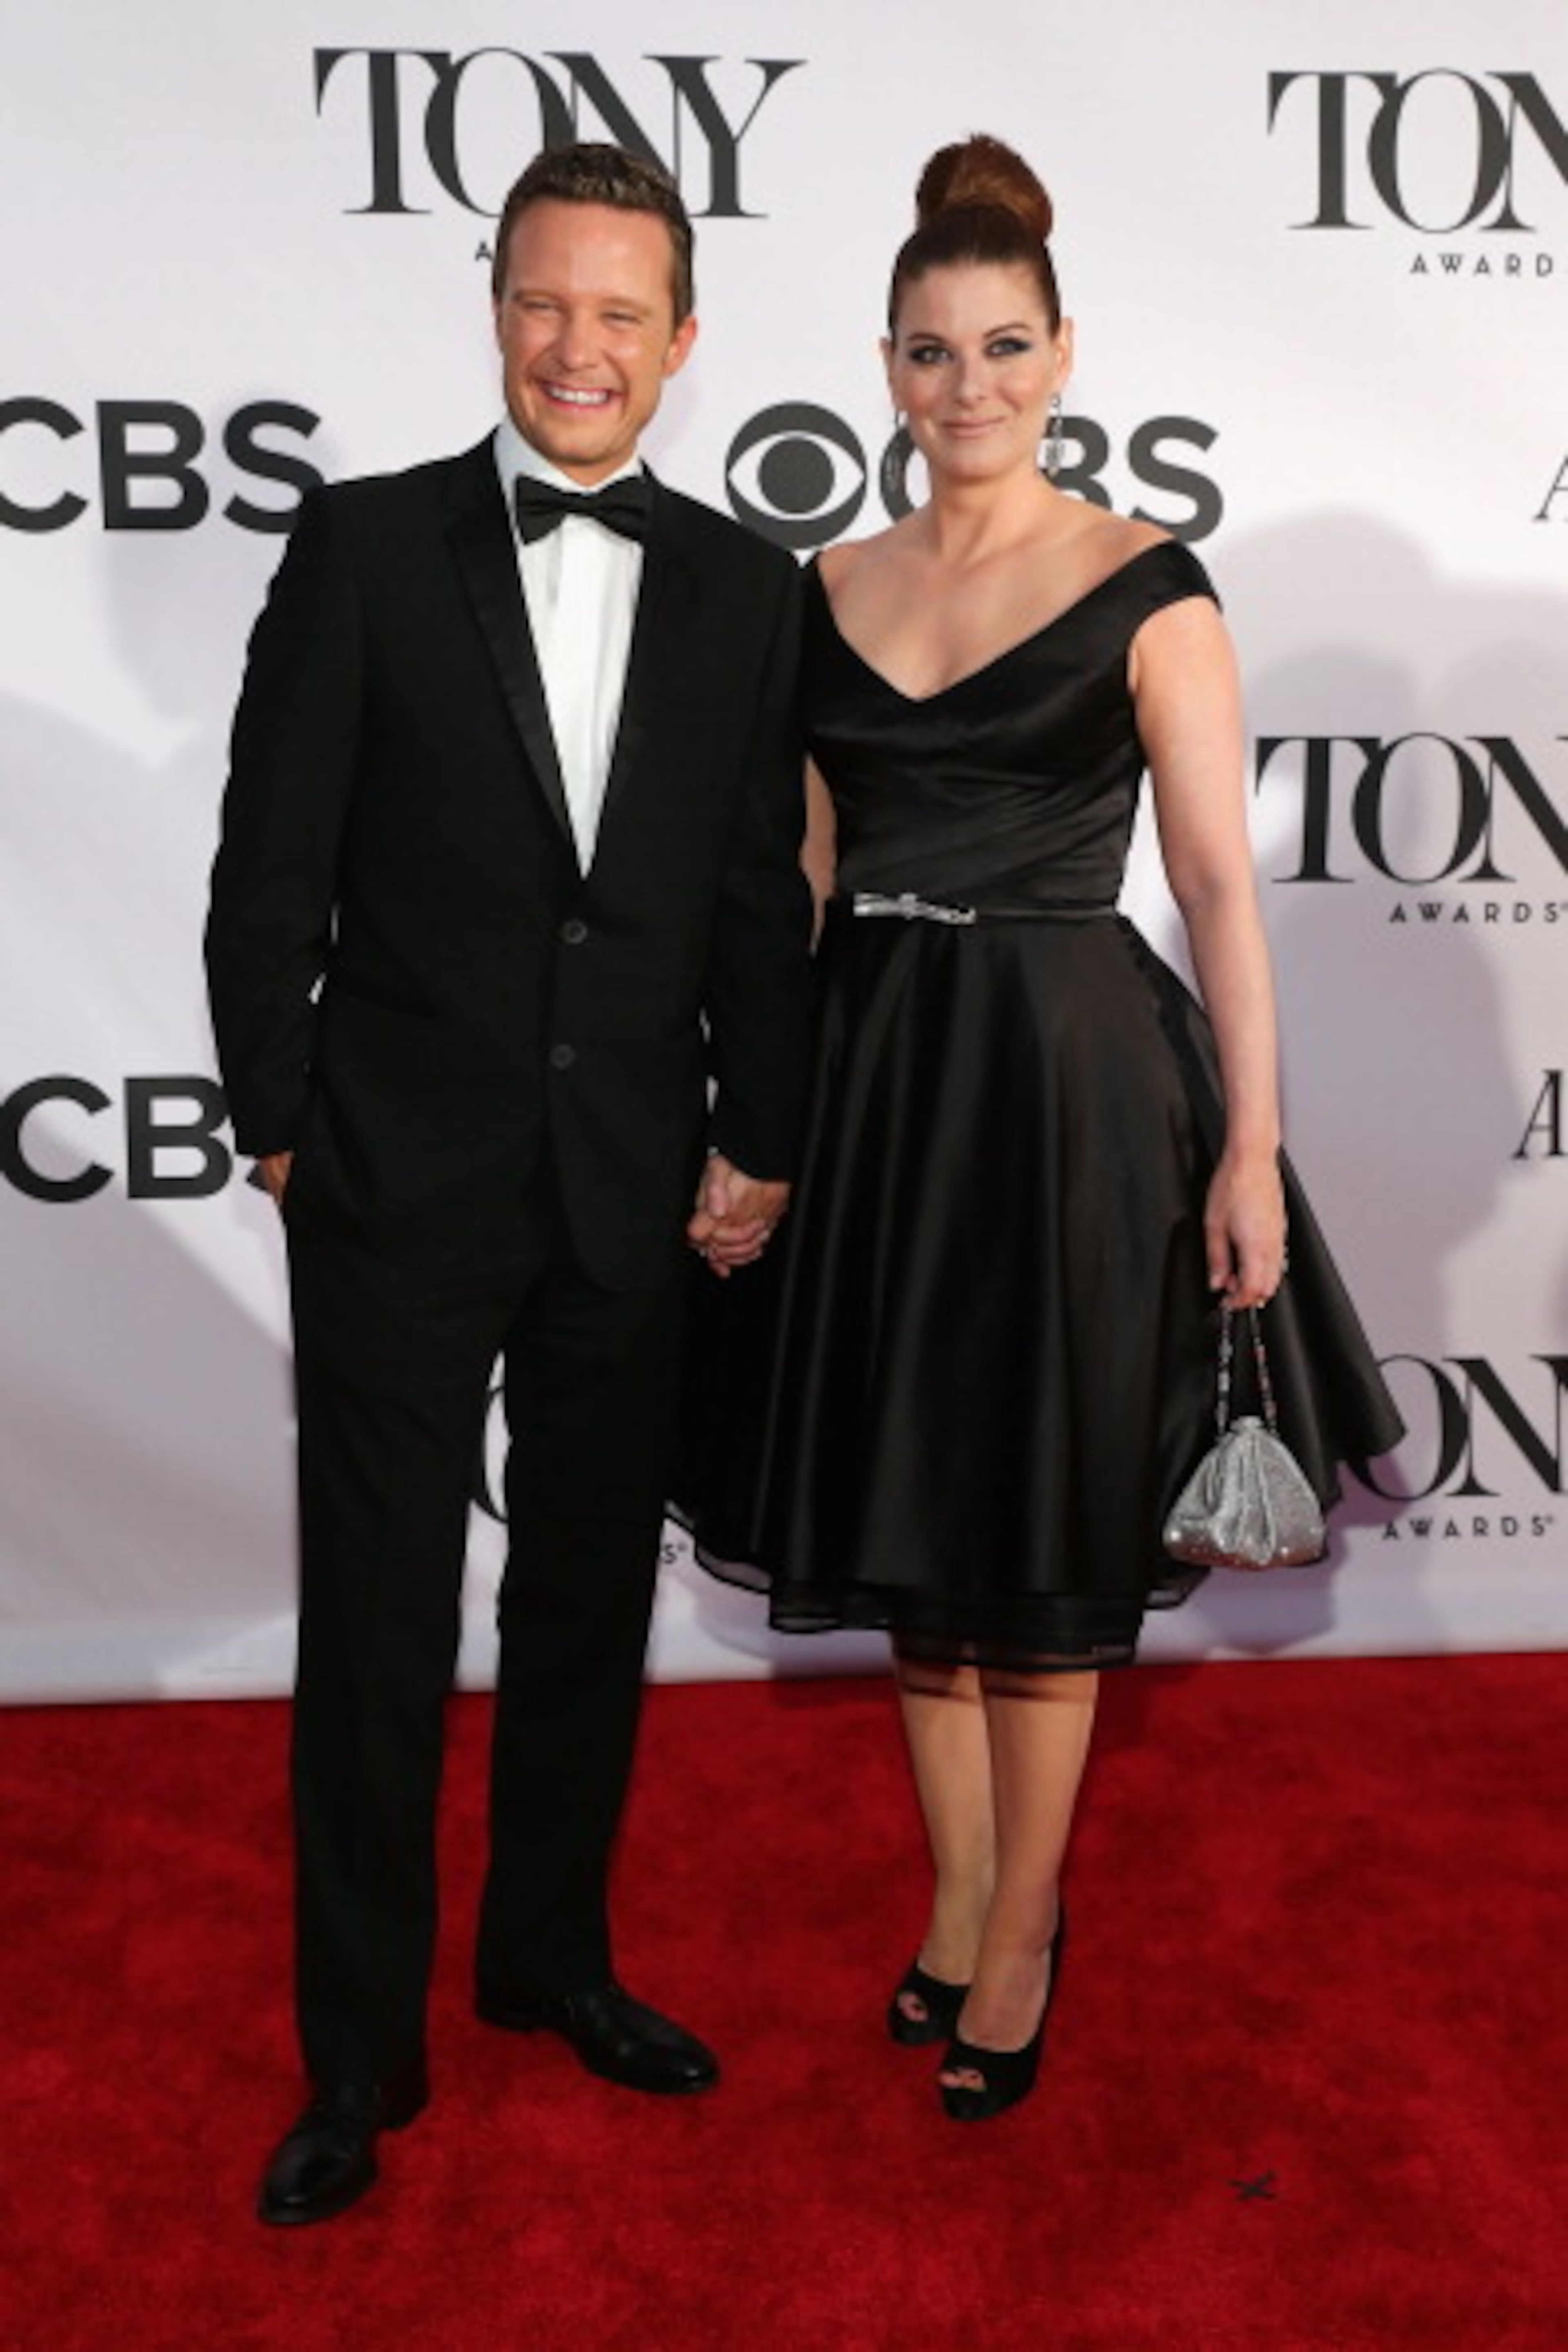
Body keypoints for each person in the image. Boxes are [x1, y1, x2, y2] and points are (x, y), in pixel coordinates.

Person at [681, 135, 1403, 2122]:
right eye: (932, 352)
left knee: (1046, 1526)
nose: (969, 384)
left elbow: (1225, 893)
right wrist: (753, 1127)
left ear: (1063, 350)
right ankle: (960, 1897)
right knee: (918, 1531)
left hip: (1077, 1092)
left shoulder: (1150, 586)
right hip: (880, 1083)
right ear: (887, 371)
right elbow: (804, 884)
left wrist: (1249, 1151)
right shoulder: (822, 590)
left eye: (1004, 346)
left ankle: (1022, 1937)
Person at [205, 140, 813, 2225]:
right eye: (547, 302)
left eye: (620, 312)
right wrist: (277, 1116)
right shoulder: (368, 550)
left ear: (682, 341)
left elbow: (756, 899)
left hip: (631, 1186)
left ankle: (551, 1959)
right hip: (390, 1175)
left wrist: (762, 1136)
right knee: (376, 1624)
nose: (581, 345)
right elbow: (265, 859)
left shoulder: (749, 587)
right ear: (495, 309)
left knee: (581, 1610)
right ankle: (354, 2066)